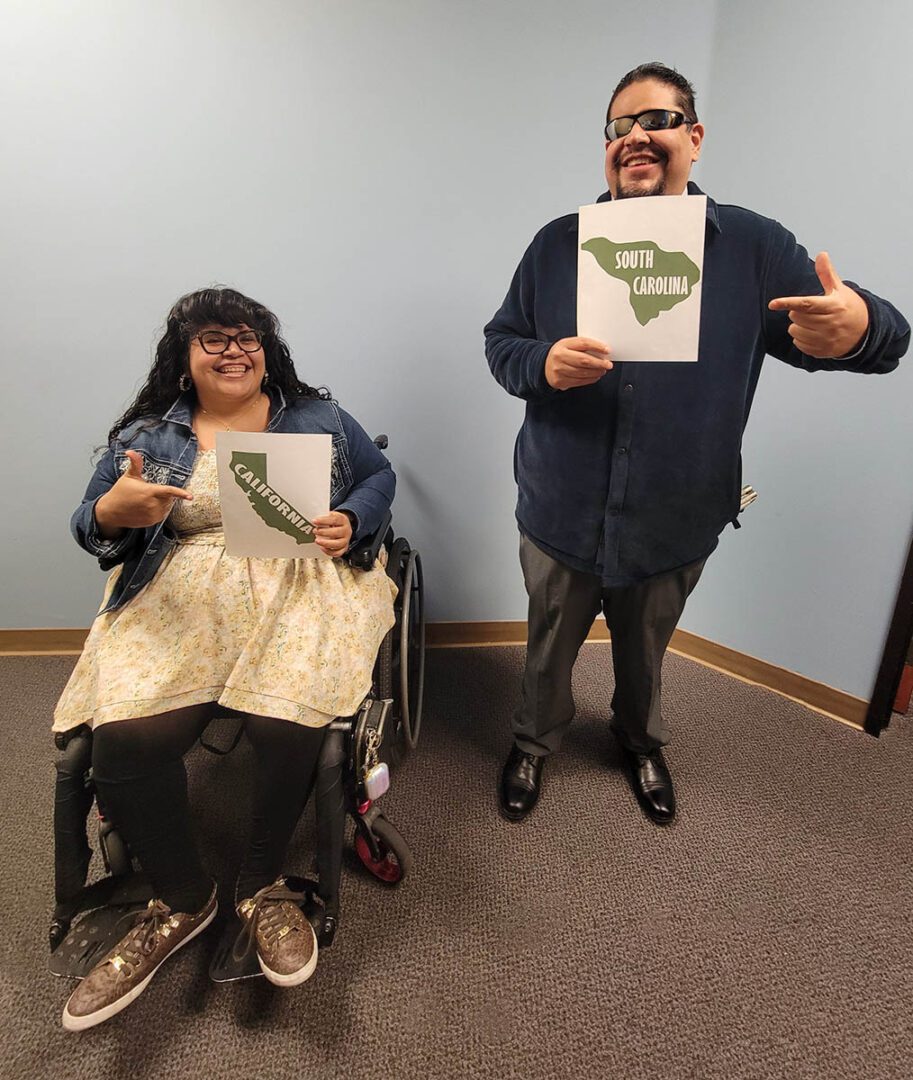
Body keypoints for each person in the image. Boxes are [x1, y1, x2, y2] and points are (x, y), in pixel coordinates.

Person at [484, 62, 910, 826]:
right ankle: (532, 742)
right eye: (618, 128)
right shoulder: (556, 244)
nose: (634, 139)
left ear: (694, 137)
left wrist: (861, 326)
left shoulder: (750, 246)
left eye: (655, 121)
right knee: (547, 648)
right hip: (560, 504)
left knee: (645, 653)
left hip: (675, 513)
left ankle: (639, 742)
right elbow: (501, 344)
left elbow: (866, 337)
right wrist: (540, 364)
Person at [54, 287, 397, 1030]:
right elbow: (90, 520)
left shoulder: (320, 417)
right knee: (124, 741)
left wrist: (353, 518)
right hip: (183, 592)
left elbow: (377, 478)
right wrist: (113, 514)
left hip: (299, 579)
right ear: (184, 360)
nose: (235, 350)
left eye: (248, 337)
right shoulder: (148, 434)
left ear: (266, 350)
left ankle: (261, 885)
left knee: (287, 720)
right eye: (214, 339)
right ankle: (182, 897)